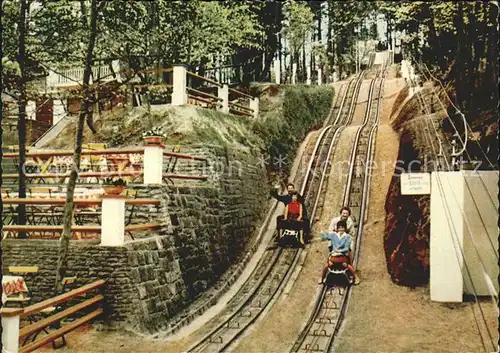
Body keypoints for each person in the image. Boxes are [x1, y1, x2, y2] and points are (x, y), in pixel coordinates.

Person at [318, 220, 360, 285]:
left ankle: (355, 277)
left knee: (347, 265)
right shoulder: (333, 235)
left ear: (345, 229)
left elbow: (346, 248)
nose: (341, 229)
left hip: (342, 255)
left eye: (342, 228)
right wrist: (321, 231)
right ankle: (322, 277)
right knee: (327, 265)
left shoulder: (347, 237)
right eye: (339, 228)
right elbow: (324, 236)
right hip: (334, 255)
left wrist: (339, 251)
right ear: (337, 229)